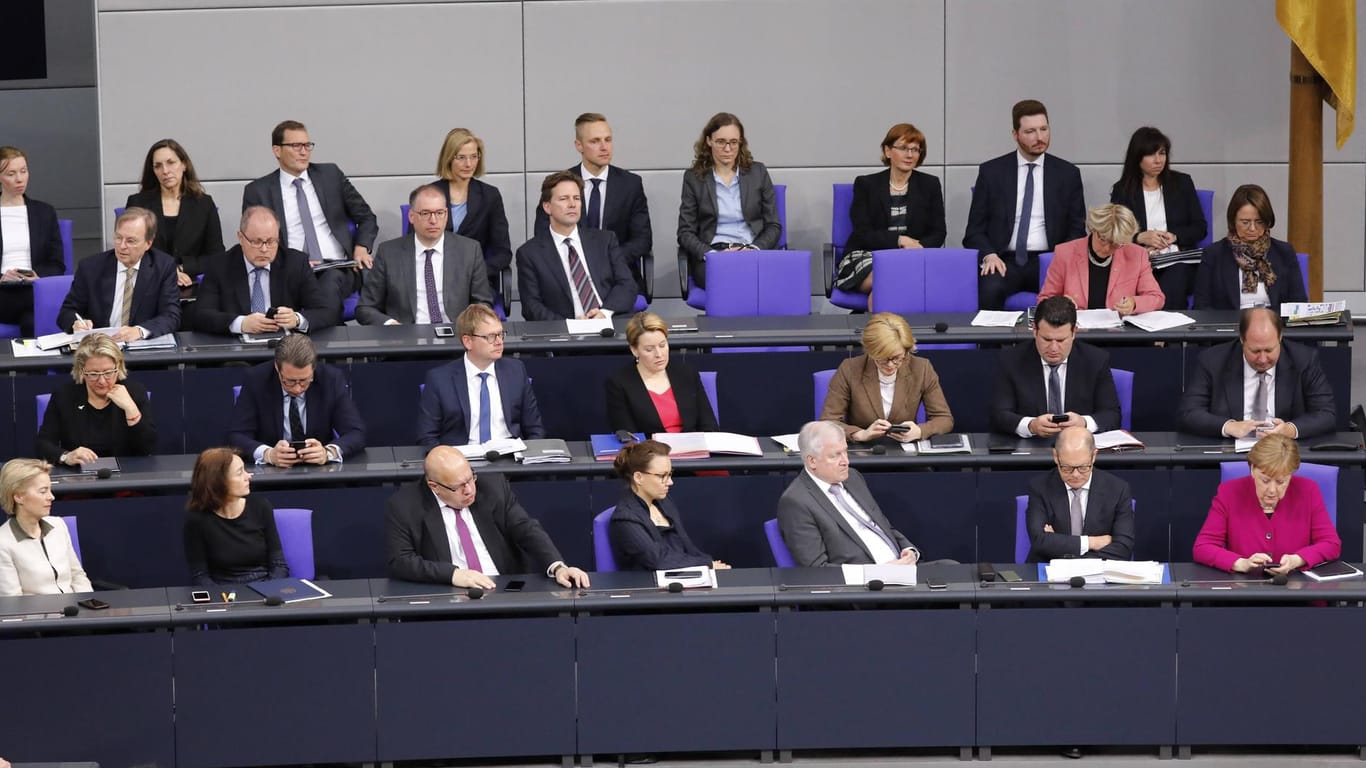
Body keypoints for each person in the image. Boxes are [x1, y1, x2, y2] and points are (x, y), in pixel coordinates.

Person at [385, 445, 591, 588]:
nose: (469, 490)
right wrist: (453, 574)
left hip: (504, 590)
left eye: (470, 478)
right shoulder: (405, 505)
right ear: (434, 487)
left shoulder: (493, 487)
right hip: (450, 594)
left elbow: (526, 529)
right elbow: (401, 561)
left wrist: (557, 567)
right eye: (458, 487)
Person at [241, 120, 378, 310]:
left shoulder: (330, 175)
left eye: (307, 145)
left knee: (327, 285)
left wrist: (362, 247)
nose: (304, 152)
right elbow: (254, 241)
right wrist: (293, 261)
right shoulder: (258, 191)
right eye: (296, 146)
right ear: (277, 150)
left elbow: (366, 217)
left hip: (336, 267)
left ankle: (318, 335)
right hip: (288, 270)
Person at [964, 99, 1086, 310]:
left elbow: (1077, 230)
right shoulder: (992, 172)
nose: (1039, 137)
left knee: (1071, 294)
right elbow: (974, 231)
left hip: (1048, 260)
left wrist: (1059, 259)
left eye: (1044, 129)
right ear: (1015, 134)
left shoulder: (1068, 174)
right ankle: (990, 345)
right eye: (1030, 131)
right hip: (1004, 260)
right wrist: (989, 255)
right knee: (990, 289)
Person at [534, 113, 653, 295]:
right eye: (595, 141)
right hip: (569, 275)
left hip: (617, 275)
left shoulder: (631, 184)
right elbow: (543, 235)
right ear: (579, 145)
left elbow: (642, 240)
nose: (604, 147)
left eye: (608, 140)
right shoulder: (560, 184)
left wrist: (608, 260)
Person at [777, 420, 922, 567]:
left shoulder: (852, 477)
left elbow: (883, 526)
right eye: (835, 456)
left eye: (845, 451)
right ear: (812, 461)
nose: (845, 461)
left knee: (946, 567)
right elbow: (817, 569)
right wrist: (879, 572)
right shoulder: (796, 502)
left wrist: (909, 551)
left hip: (903, 568)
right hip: (869, 584)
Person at [1178, 307, 1336, 439]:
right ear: (1242, 339)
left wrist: (1289, 429)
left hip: (1283, 453)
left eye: (1269, 350)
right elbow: (1189, 413)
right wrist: (1229, 426)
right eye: (1255, 351)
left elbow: (1326, 414)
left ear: (1280, 337)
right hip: (1231, 452)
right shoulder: (1213, 360)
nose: (1262, 359)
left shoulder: (1304, 359)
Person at [1193, 434, 1340, 574]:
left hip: (1297, 590)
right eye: (1265, 480)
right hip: (1245, 591)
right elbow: (1203, 547)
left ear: (1291, 474)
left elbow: (1331, 543)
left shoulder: (1308, 491)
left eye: (1281, 482)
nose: (1272, 490)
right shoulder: (1229, 492)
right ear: (1252, 470)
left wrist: (1297, 560)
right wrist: (1241, 563)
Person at [835, 123, 947, 301]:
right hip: (869, 255)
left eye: (915, 149)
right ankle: (893, 328)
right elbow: (863, 233)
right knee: (888, 282)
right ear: (887, 151)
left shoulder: (930, 185)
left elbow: (939, 232)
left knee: (887, 287)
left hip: (913, 257)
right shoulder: (866, 185)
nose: (910, 155)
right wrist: (900, 240)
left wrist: (917, 248)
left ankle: (879, 328)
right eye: (903, 148)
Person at [357, 183, 492, 325]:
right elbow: (365, 308)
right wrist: (391, 325)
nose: (433, 220)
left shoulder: (469, 250)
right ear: (411, 216)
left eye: (439, 213)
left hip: (456, 335)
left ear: (446, 215)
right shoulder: (389, 253)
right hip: (407, 337)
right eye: (425, 213)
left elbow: (482, 304)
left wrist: (467, 328)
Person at [676, 112, 782, 290]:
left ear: (741, 142)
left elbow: (774, 226)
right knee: (732, 282)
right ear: (709, 141)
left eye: (733, 142)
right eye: (721, 142)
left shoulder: (758, 172)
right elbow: (685, 232)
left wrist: (754, 249)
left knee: (760, 280)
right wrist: (712, 254)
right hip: (714, 255)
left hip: (752, 252)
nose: (728, 149)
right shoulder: (694, 178)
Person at [227, 333, 366, 466]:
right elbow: (236, 435)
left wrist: (328, 452)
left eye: (305, 381)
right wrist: (268, 454)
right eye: (290, 381)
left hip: (319, 472)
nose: (297, 389)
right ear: (277, 367)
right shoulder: (256, 380)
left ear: (313, 368)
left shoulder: (331, 379)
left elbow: (356, 432)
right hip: (271, 472)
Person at [990, 295, 1120, 437]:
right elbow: (999, 415)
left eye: (1061, 340)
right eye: (1046, 339)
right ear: (1034, 330)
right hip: (1031, 448)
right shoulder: (1011, 360)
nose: (1053, 348)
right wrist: (1030, 425)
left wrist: (1084, 423)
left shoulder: (1095, 360)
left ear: (1074, 332)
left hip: (1078, 449)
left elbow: (1112, 414)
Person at [418, 303, 544, 449]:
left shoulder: (516, 370)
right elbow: (427, 438)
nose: (499, 342)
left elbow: (535, 429)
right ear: (468, 341)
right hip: (460, 462)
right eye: (490, 336)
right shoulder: (439, 379)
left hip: (510, 458)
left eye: (500, 334)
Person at [516, 171, 636, 321]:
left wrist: (604, 313)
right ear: (547, 207)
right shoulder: (530, 253)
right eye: (564, 199)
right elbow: (531, 306)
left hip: (610, 321)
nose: (572, 204)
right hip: (564, 331)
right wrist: (570, 325)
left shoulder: (605, 240)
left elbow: (627, 285)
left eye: (577, 198)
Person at [1109, 127, 1207, 309]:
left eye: (1162, 153)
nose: (1158, 160)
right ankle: (1147, 336)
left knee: (1174, 279)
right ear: (1137, 157)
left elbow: (1200, 227)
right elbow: (1114, 234)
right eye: (1151, 154)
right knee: (1141, 281)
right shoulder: (1123, 190)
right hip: (1141, 261)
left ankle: (1169, 336)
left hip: (1177, 259)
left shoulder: (1182, 183)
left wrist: (1174, 236)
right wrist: (1139, 237)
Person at [194, 206, 334, 334]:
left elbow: (325, 311)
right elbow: (201, 315)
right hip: (237, 353)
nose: (264, 249)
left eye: (271, 241)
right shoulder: (219, 265)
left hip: (285, 349)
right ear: (241, 238)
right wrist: (241, 323)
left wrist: (297, 319)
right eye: (256, 242)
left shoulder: (296, 263)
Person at [820, 312, 952, 443]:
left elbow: (944, 419)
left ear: (907, 350)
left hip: (906, 454)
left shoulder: (922, 368)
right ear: (871, 352)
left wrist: (920, 431)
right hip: (864, 452)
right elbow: (828, 422)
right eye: (882, 359)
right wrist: (859, 434)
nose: (890, 365)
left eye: (897, 359)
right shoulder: (849, 369)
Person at [58, 207, 180, 341]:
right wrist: (75, 324)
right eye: (118, 238)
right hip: (100, 349)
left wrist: (139, 331)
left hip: (142, 351)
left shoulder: (163, 267)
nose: (122, 246)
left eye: (130, 241)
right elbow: (67, 312)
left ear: (148, 243)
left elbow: (171, 316)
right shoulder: (90, 267)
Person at [35, 333, 156, 466]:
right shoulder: (64, 395)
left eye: (108, 372)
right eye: (93, 374)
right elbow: (43, 444)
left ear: (118, 367)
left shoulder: (135, 392)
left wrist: (131, 409)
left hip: (125, 477)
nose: (102, 381)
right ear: (82, 370)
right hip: (78, 477)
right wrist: (66, 456)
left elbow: (147, 449)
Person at [609, 440, 729, 572]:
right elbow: (658, 560)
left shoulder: (664, 501)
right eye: (662, 476)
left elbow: (686, 545)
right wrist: (707, 564)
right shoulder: (625, 518)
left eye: (670, 474)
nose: (670, 482)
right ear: (638, 477)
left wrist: (710, 563)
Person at [1024, 426, 1135, 562]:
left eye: (1083, 467)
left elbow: (1123, 548)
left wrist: (1061, 547)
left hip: (1099, 573)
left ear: (1094, 456)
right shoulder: (1039, 487)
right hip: (1048, 572)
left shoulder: (1117, 489)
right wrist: (1091, 543)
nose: (1075, 475)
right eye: (1066, 468)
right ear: (1055, 457)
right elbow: (1040, 541)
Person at [182, 447, 288, 587]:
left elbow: (279, 565)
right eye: (239, 473)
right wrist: (223, 598)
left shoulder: (261, 506)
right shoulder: (196, 519)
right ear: (218, 481)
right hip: (223, 594)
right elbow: (200, 575)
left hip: (264, 588)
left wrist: (268, 592)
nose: (248, 476)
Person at [1193, 184, 1306, 313]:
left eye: (1259, 222)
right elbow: (1201, 306)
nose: (1252, 229)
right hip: (1231, 326)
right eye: (1245, 222)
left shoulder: (1284, 252)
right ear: (1233, 221)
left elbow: (1299, 303)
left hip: (1273, 325)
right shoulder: (1214, 254)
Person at [125, 138, 225, 284]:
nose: (165, 171)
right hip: (150, 284)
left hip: (190, 283)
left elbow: (216, 256)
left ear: (184, 165)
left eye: (171, 163)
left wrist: (182, 268)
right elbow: (130, 252)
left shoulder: (204, 204)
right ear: (153, 171)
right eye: (158, 166)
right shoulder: (138, 203)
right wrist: (167, 272)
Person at [1038, 203, 1165, 315]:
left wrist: (1134, 303)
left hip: (1120, 334)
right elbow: (1045, 299)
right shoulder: (1065, 253)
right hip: (1077, 333)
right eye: (1103, 239)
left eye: (1116, 244)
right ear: (1093, 229)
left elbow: (1156, 298)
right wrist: (1062, 304)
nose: (1107, 248)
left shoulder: (1137, 254)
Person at [430, 127, 512, 301]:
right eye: (461, 157)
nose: (469, 164)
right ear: (449, 158)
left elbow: (503, 252)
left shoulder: (490, 196)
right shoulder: (430, 194)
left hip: (476, 280)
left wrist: (476, 272)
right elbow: (414, 246)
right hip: (435, 278)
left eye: (474, 156)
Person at [605, 311, 717, 434]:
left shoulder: (686, 373)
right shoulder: (619, 384)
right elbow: (629, 436)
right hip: (650, 451)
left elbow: (709, 425)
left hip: (693, 449)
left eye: (662, 345)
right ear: (634, 350)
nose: (659, 354)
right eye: (649, 349)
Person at [0, 458, 90, 596]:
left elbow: (77, 575)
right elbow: (13, 602)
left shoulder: (59, 525)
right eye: (43, 491)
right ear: (18, 497)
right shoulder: (3, 543)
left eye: (50, 490)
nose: (51, 497)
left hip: (76, 611)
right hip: (39, 616)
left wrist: (87, 605)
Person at [0, 146, 64, 336]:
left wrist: (36, 274)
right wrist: (2, 277)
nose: (19, 179)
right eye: (11, 173)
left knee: (32, 321)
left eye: (23, 171)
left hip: (33, 287)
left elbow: (57, 263)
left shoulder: (44, 212)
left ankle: (32, 367)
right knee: (41, 307)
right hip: (2, 291)